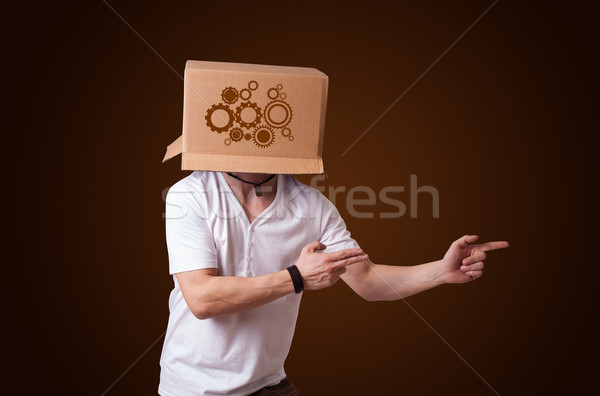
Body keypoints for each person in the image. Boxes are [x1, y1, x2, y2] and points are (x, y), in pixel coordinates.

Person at [158, 171, 508, 396]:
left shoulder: (312, 205)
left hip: (268, 384)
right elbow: (202, 298)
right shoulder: (190, 195)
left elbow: (367, 280)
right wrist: (296, 278)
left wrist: (441, 271)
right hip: (192, 388)